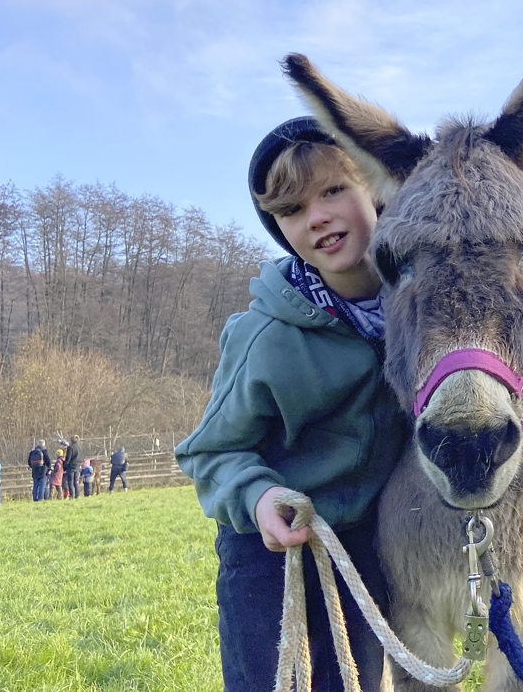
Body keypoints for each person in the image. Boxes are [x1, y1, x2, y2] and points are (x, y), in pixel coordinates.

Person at [176, 118, 408, 692]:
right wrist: (257, 497)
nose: (318, 217)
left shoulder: (422, 311)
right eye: (292, 210)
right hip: (268, 550)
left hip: (365, 548)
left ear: (375, 191)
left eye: (333, 190)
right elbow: (211, 452)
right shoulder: (265, 338)